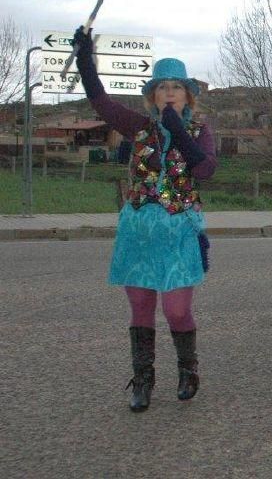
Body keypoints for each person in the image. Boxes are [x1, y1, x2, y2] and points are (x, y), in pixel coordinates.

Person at [73, 27, 217, 413]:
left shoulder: (200, 130)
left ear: (188, 95)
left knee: (176, 310)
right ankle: (143, 379)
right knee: (140, 307)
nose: (169, 91)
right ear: (152, 95)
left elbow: (204, 171)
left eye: (177, 86)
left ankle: (188, 370)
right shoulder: (138, 127)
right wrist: (86, 59)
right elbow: (100, 101)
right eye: (162, 86)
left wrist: (177, 130)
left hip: (179, 228)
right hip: (138, 228)